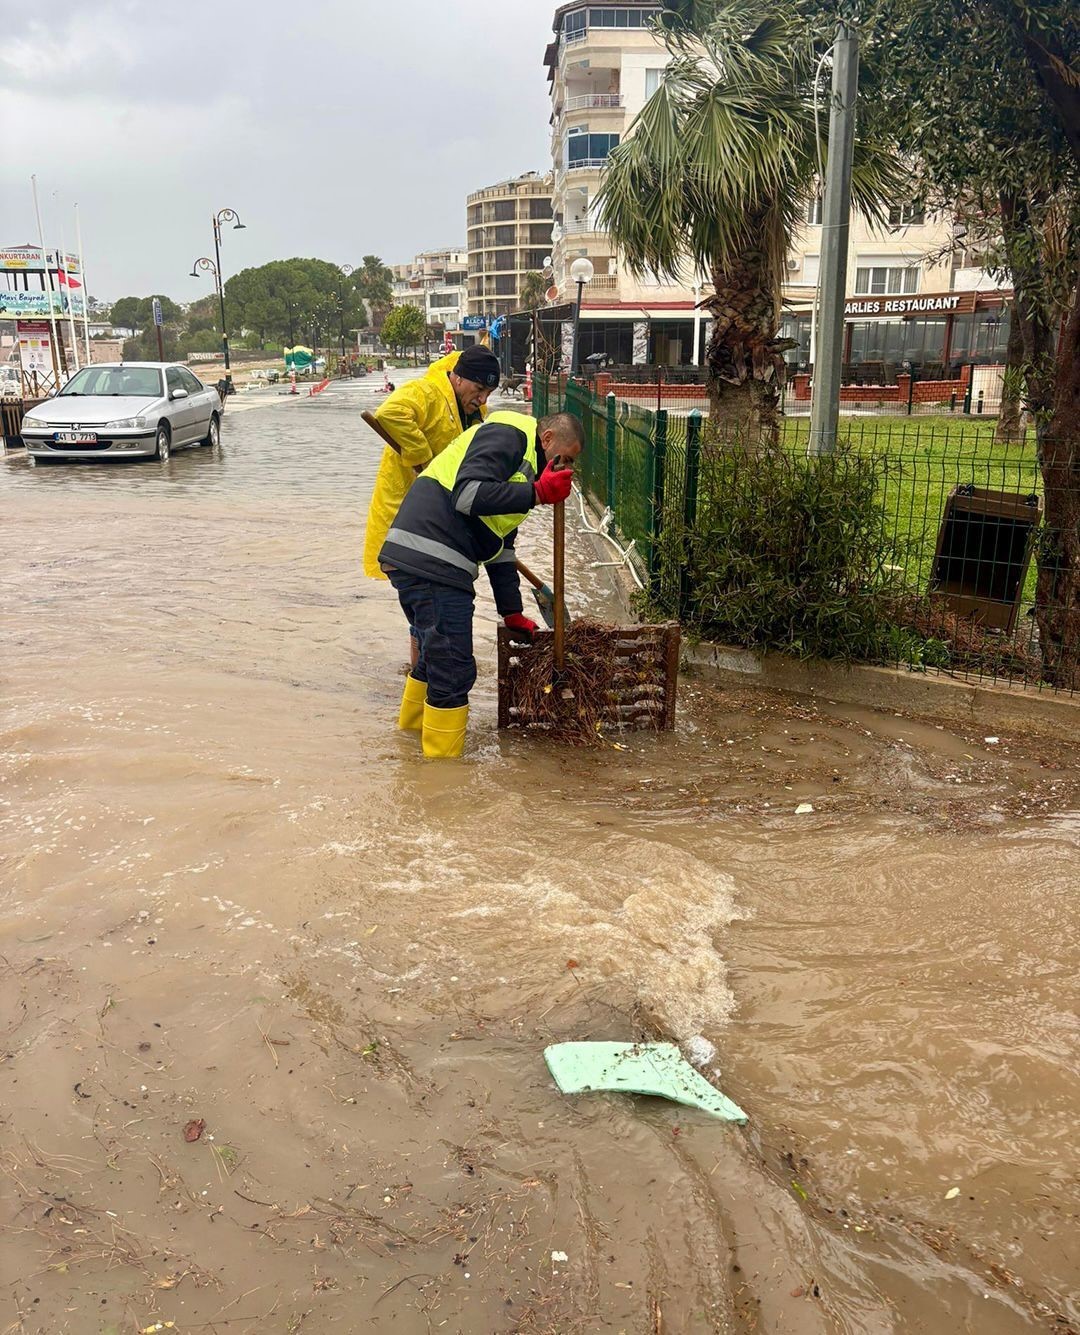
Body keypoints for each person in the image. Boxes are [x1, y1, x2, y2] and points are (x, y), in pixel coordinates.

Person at [379, 410, 584, 759]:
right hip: (433, 560)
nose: (563, 468)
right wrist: (537, 493)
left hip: (420, 559)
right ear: (547, 438)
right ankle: (442, 780)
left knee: (433, 659)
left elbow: (501, 548)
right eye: (563, 458)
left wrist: (512, 612)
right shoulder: (510, 434)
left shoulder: (522, 471)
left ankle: (411, 749)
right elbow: (468, 495)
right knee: (454, 670)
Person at [362, 345, 502, 663]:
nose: (482, 399)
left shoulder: (475, 413)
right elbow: (391, 413)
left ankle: (420, 673)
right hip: (409, 512)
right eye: (479, 389)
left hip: (440, 517)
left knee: (429, 603)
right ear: (459, 377)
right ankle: (421, 673)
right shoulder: (427, 391)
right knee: (424, 600)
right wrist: (424, 459)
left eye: (488, 393)